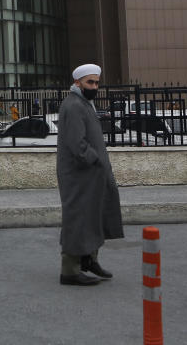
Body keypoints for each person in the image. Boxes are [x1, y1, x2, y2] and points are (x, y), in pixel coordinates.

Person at [56, 64, 123, 286]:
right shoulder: (74, 105)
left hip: (91, 174)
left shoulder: (84, 103)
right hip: (80, 175)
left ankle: (89, 259)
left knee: (94, 216)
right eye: (90, 82)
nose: (94, 86)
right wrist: (94, 159)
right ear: (77, 83)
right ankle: (70, 271)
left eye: (96, 82)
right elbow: (78, 144)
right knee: (78, 218)